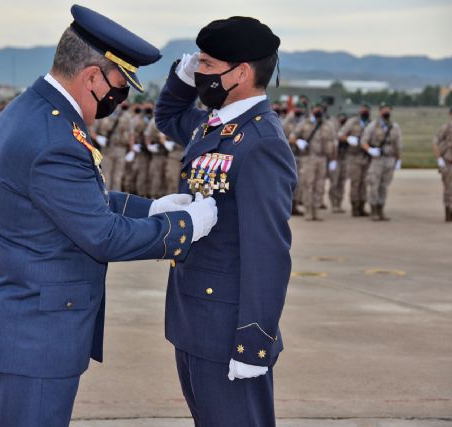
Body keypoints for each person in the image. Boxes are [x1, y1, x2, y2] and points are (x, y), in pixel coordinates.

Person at [0, 5, 218, 426]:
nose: (121, 99)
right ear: (92, 77)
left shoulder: (31, 110)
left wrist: (150, 208)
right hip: (34, 341)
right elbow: (102, 235)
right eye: (119, 86)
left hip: (10, 325)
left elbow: (67, 203)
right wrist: (186, 227)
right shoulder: (54, 136)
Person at [155, 16, 296, 427]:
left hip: (227, 327)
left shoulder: (261, 142)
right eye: (199, 64)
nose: (201, 75)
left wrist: (253, 342)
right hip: (193, 319)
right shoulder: (211, 126)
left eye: (208, 66)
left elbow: (268, 251)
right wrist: (181, 80)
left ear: (242, 73)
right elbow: (167, 116)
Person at [290, 103, 338, 221]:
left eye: (320, 109)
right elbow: (292, 137)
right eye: (316, 108)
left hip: (322, 158)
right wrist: (298, 142)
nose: (318, 110)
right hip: (308, 158)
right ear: (312, 110)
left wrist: (333, 159)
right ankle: (308, 211)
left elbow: (334, 142)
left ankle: (316, 210)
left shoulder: (328, 125)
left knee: (320, 185)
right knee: (308, 184)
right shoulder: (304, 123)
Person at [361, 103, 402, 221]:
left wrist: (398, 159)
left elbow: (398, 144)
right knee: (374, 184)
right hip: (377, 160)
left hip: (389, 159)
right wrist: (370, 150)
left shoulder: (395, 127)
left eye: (388, 109)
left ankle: (381, 210)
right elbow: (363, 141)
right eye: (384, 109)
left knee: (384, 186)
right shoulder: (373, 126)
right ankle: (373, 210)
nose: (386, 111)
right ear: (379, 112)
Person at [339, 104, 372, 217]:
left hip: (366, 157)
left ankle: (362, 206)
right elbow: (340, 135)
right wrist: (348, 138)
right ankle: (355, 207)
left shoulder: (371, 123)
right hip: (354, 157)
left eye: (366, 109)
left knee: (364, 183)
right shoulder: (352, 122)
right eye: (363, 108)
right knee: (355, 183)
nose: (364, 111)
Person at [432, 107, 452, 222]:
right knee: (448, 188)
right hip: (448, 162)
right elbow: (435, 143)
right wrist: (439, 158)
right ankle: (448, 213)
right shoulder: (445, 128)